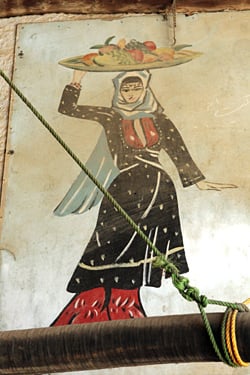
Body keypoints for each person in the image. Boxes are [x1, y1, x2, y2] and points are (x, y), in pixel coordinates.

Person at [51, 69, 235, 325]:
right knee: (108, 244)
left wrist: (201, 182)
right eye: (125, 89)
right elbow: (68, 109)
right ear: (118, 91)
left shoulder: (160, 120)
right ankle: (90, 309)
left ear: (145, 89)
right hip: (124, 185)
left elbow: (178, 152)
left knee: (143, 249)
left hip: (159, 189)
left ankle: (124, 309)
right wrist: (77, 80)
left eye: (135, 88)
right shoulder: (111, 117)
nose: (130, 93)